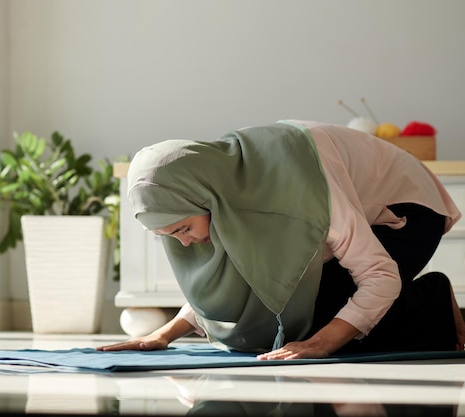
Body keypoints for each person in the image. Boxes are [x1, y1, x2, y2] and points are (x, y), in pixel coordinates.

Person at [97, 120, 465, 359]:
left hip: (406, 211)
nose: (185, 244)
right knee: (289, 316)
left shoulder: (301, 190)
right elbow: (241, 285)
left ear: (204, 199)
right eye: (169, 237)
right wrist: (164, 335)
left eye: (182, 230)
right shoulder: (228, 189)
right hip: (345, 214)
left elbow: (380, 277)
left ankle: (431, 299)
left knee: (314, 325)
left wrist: (319, 344)